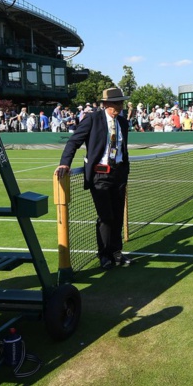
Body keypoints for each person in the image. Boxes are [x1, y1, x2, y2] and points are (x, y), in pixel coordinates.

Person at [55, 87, 133, 269]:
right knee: (106, 217)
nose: (120, 106)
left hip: (119, 174)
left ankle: (116, 253)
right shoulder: (92, 119)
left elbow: (122, 148)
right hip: (100, 175)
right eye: (116, 103)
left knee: (118, 215)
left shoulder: (122, 122)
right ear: (106, 104)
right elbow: (74, 141)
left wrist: (124, 170)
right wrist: (65, 163)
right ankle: (104, 255)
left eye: (121, 102)